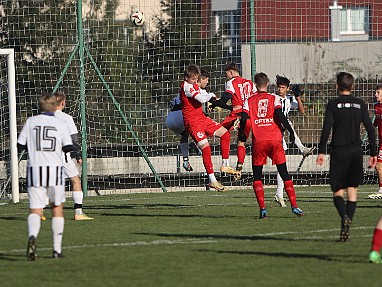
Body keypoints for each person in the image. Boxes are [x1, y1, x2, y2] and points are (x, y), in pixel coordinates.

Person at [316, 72, 377, 242]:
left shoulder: (333, 104)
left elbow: (326, 128)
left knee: (337, 191)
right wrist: (373, 152)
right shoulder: (359, 104)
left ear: (337, 86)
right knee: (352, 190)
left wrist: (321, 151)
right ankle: (346, 224)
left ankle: (344, 216)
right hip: (356, 151)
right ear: (352, 86)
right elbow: (370, 130)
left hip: (339, 151)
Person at [18, 93, 73, 260]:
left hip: (35, 170)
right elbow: (68, 146)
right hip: (54, 170)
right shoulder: (60, 122)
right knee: (57, 208)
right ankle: (56, 250)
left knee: (35, 209)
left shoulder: (31, 122)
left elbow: (20, 144)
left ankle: (32, 236)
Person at [248, 72, 304, 218]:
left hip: (259, 141)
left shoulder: (249, 100)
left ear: (255, 84)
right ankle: (295, 206)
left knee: (257, 176)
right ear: (267, 84)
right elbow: (280, 115)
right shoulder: (274, 99)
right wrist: (291, 131)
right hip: (275, 139)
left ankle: (263, 209)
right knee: (284, 173)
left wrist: (242, 135)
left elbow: (244, 119)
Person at [180, 64, 239, 192]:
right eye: (193, 79)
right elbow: (201, 98)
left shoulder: (193, 85)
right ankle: (213, 181)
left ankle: (225, 165)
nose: (196, 81)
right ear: (186, 78)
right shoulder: (186, 87)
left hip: (202, 119)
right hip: (193, 124)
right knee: (206, 150)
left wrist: (213, 98)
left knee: (225, 134)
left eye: (196, 78)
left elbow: (202, 93)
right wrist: (211, 94)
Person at [273, 75, 316, 207]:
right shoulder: (273, 98)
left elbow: (302, 110)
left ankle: (279, 194)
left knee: (282, 163)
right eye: (279, 87)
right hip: (274, 129)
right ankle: (302, 148)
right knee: (281, 163)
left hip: (282, 130)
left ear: (287, 88)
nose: (280, 89)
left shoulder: (289, 99)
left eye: (283, 87)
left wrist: (298, 96)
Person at [209, 63, 256, 180]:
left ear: (230, 72)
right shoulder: (250, 83)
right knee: (241, 142)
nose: (226, 77)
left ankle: (225, 163)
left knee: (221, 132)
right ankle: (239, 167)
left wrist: (214, 103)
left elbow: (225, 99)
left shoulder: (231, 83)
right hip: (249, 116)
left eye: (226, 74)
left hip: (236, 114)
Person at [54, 92, 94, 220]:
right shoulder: (66, 118)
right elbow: (74, 139)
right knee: (75, 181)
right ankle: (78, 212)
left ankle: (38, 212)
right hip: (62, 155)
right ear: (62, 103)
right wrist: (78, 155)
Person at [165, 69, 211, 172]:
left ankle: (185, 160)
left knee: (185, 134)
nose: (207, 83)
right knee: (201, 122)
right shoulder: (195, 89)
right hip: (180, 116)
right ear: (200, 79)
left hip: (169, 120)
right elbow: (204, 99)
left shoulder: (183, 89)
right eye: (206, 80)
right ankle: (197, 143)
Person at [367, 84, 382, 199]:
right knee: (378, 165)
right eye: (375, 92)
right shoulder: (376, 106)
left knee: (379, 164)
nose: (375, 94)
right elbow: (376, 122)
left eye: (378, 92)